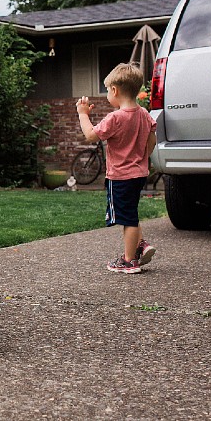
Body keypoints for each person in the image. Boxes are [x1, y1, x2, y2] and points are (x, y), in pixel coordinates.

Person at [76, 63, 157, 274]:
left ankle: (129, 261)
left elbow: (91, 135)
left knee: (126, 218)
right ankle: (140, 245)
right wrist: (142, 158)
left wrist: (83, 114)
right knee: (131, 211)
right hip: (139, 173)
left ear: (115, 90)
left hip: (120, 176)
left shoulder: (116, 117)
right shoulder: (144, 114)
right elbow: (152, 140)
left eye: (107, 91)